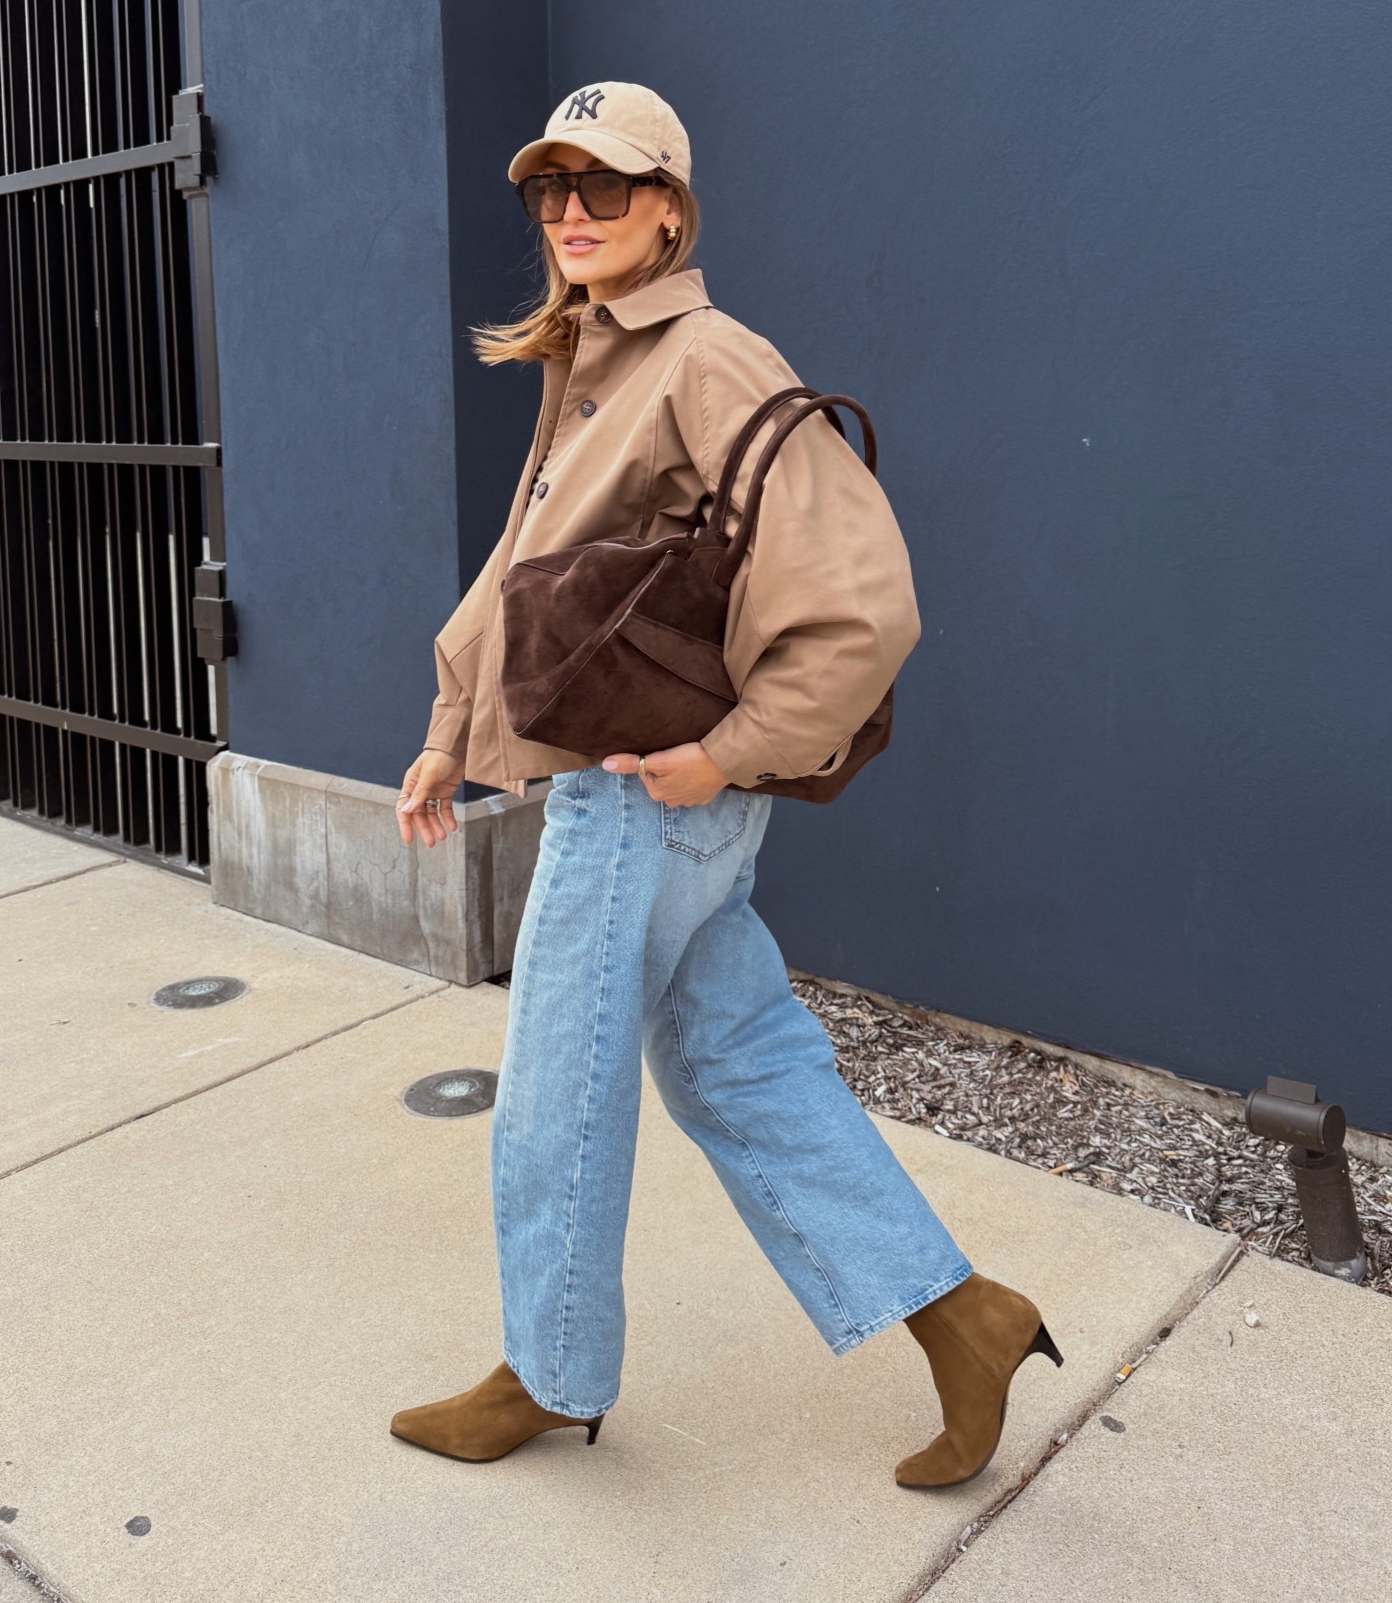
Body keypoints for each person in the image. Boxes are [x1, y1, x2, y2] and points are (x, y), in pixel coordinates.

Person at [388, 82, 1059, 1487]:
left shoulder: (707, 360)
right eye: (552, 190)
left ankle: (548, 1374)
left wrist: (726, 754)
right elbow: (523, 571)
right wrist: (452, 726)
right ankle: (963, 1320)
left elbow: (863, 605)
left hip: (645, 802)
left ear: (671, 209)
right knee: (735, 1067)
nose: (572, 213)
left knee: (558, 1100)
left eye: (605, 187)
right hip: (662, 807)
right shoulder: (597, 358)